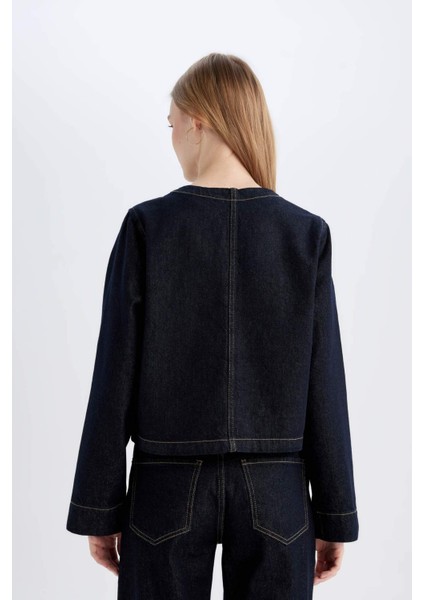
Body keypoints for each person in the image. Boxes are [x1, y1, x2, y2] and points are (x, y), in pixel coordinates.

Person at [66, 53, 359, 599]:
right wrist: (336, 512)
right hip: (277, 492)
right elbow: (326, 385)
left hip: (166, 487)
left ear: (198, 121)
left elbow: (114, 375)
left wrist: (98, 508)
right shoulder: (305, 235)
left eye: (172, 123)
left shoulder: (148, 226)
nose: (172, 137)